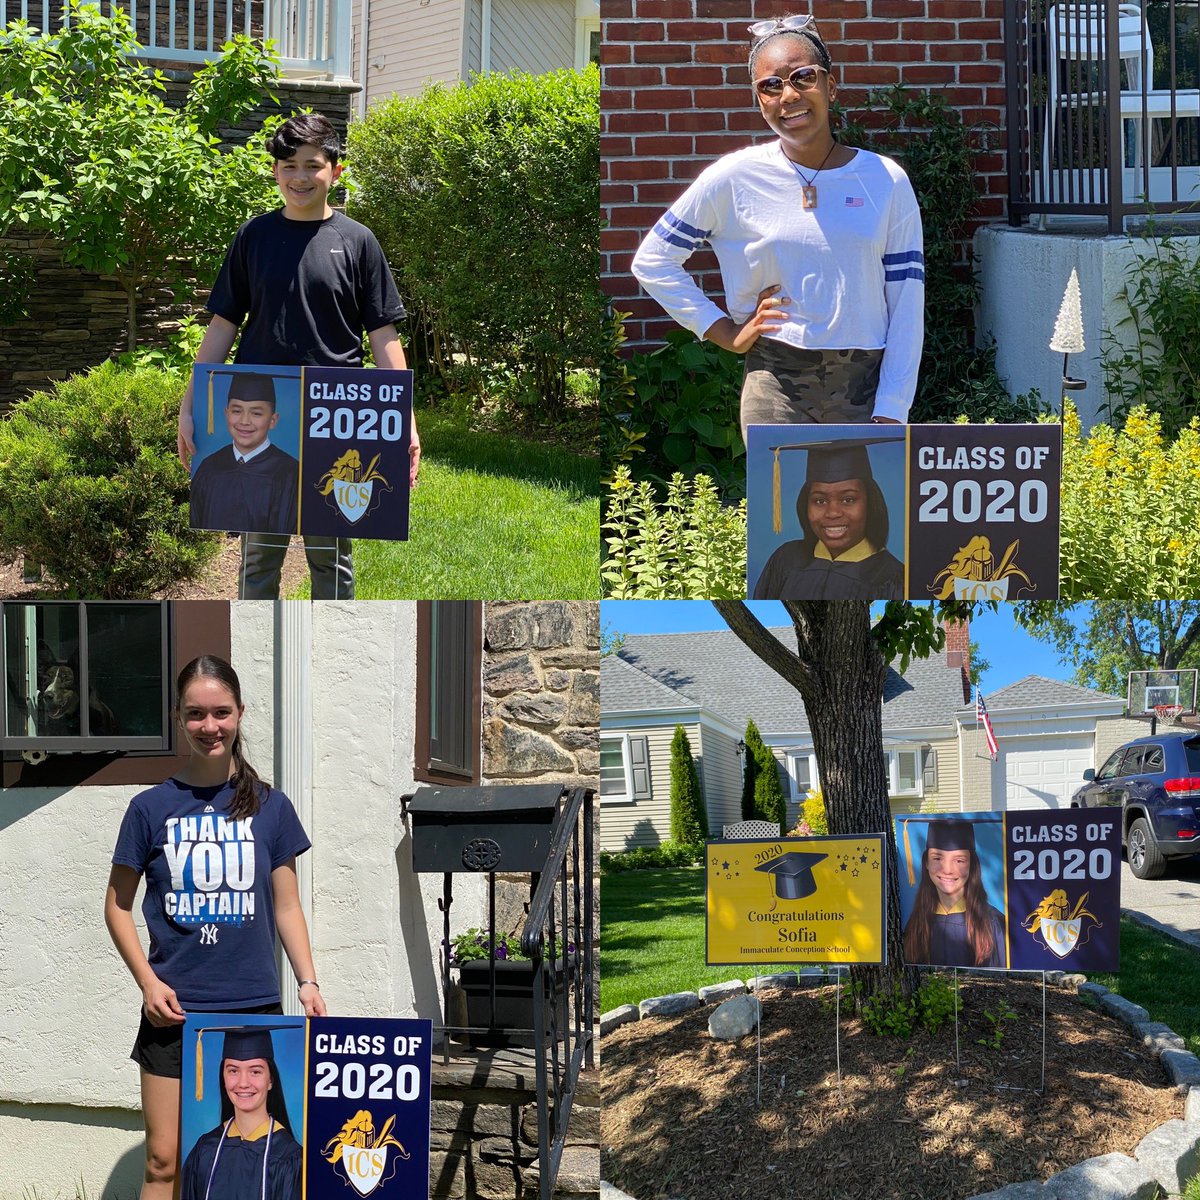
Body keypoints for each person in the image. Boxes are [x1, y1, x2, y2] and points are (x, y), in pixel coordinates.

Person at [630, 14, 925, 440]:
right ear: (759, 100)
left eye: (804, 77)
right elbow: (654, 260)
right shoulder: (734, 177)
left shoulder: (886, 179)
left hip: (866, 383)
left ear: (831, 85)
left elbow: (906, 302)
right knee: (779, 508)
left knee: (860, 508)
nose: (789, 95)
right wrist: (726, 333)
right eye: (771, 85)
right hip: (775, 383)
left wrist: (893, 407)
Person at [105, 655, 326, 1200]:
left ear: (240, 714)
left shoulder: (271, 807)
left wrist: (308, 980)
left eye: (221, 713)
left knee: (262, 1163)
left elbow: (287, 907)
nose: (211, 727)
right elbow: (116, 907)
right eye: (197, 714)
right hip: (173, 1012)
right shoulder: (149, 808)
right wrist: (148, 984)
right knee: (163, 1160)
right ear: (179, 718)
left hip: (251, 1008)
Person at [176, 111, 420, 599]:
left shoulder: (358, 242)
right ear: (274, 172)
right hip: (266, 408)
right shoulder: (253, 238)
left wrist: (404, 416)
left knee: (332, 560)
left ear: (336, 170)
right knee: (260, 555)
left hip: (340, 415)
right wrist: (191, 404)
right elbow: (223, 324)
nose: (300, 177)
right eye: (288, 166)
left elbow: (382, 333)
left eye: (312, 165)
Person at [753, 440, 904, 599]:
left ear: (870, 504)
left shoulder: (893, 578)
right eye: (820, 501)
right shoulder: (786, 559)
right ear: (805, 505)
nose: (832, 513)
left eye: (848, 500)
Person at [181, 1027, 303, 1200]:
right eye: (233, 1070)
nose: (243, 1083)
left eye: (255, 1071)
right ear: (223, 1077)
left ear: (270, 1080)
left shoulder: (290, 1157)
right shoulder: (206, 1149)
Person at [189, 372, 299, 536]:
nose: (244, 421)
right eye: (236, 411)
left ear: (273, 420)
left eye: (256, 413)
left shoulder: (289, 472)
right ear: (226, 414)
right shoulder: (209, 467)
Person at [901, 819, 1006, 968]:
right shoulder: (916, 922)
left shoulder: (993, 922)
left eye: (959, 860)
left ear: (972, 865)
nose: (947, 869)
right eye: (937, 858)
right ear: (926, 863)